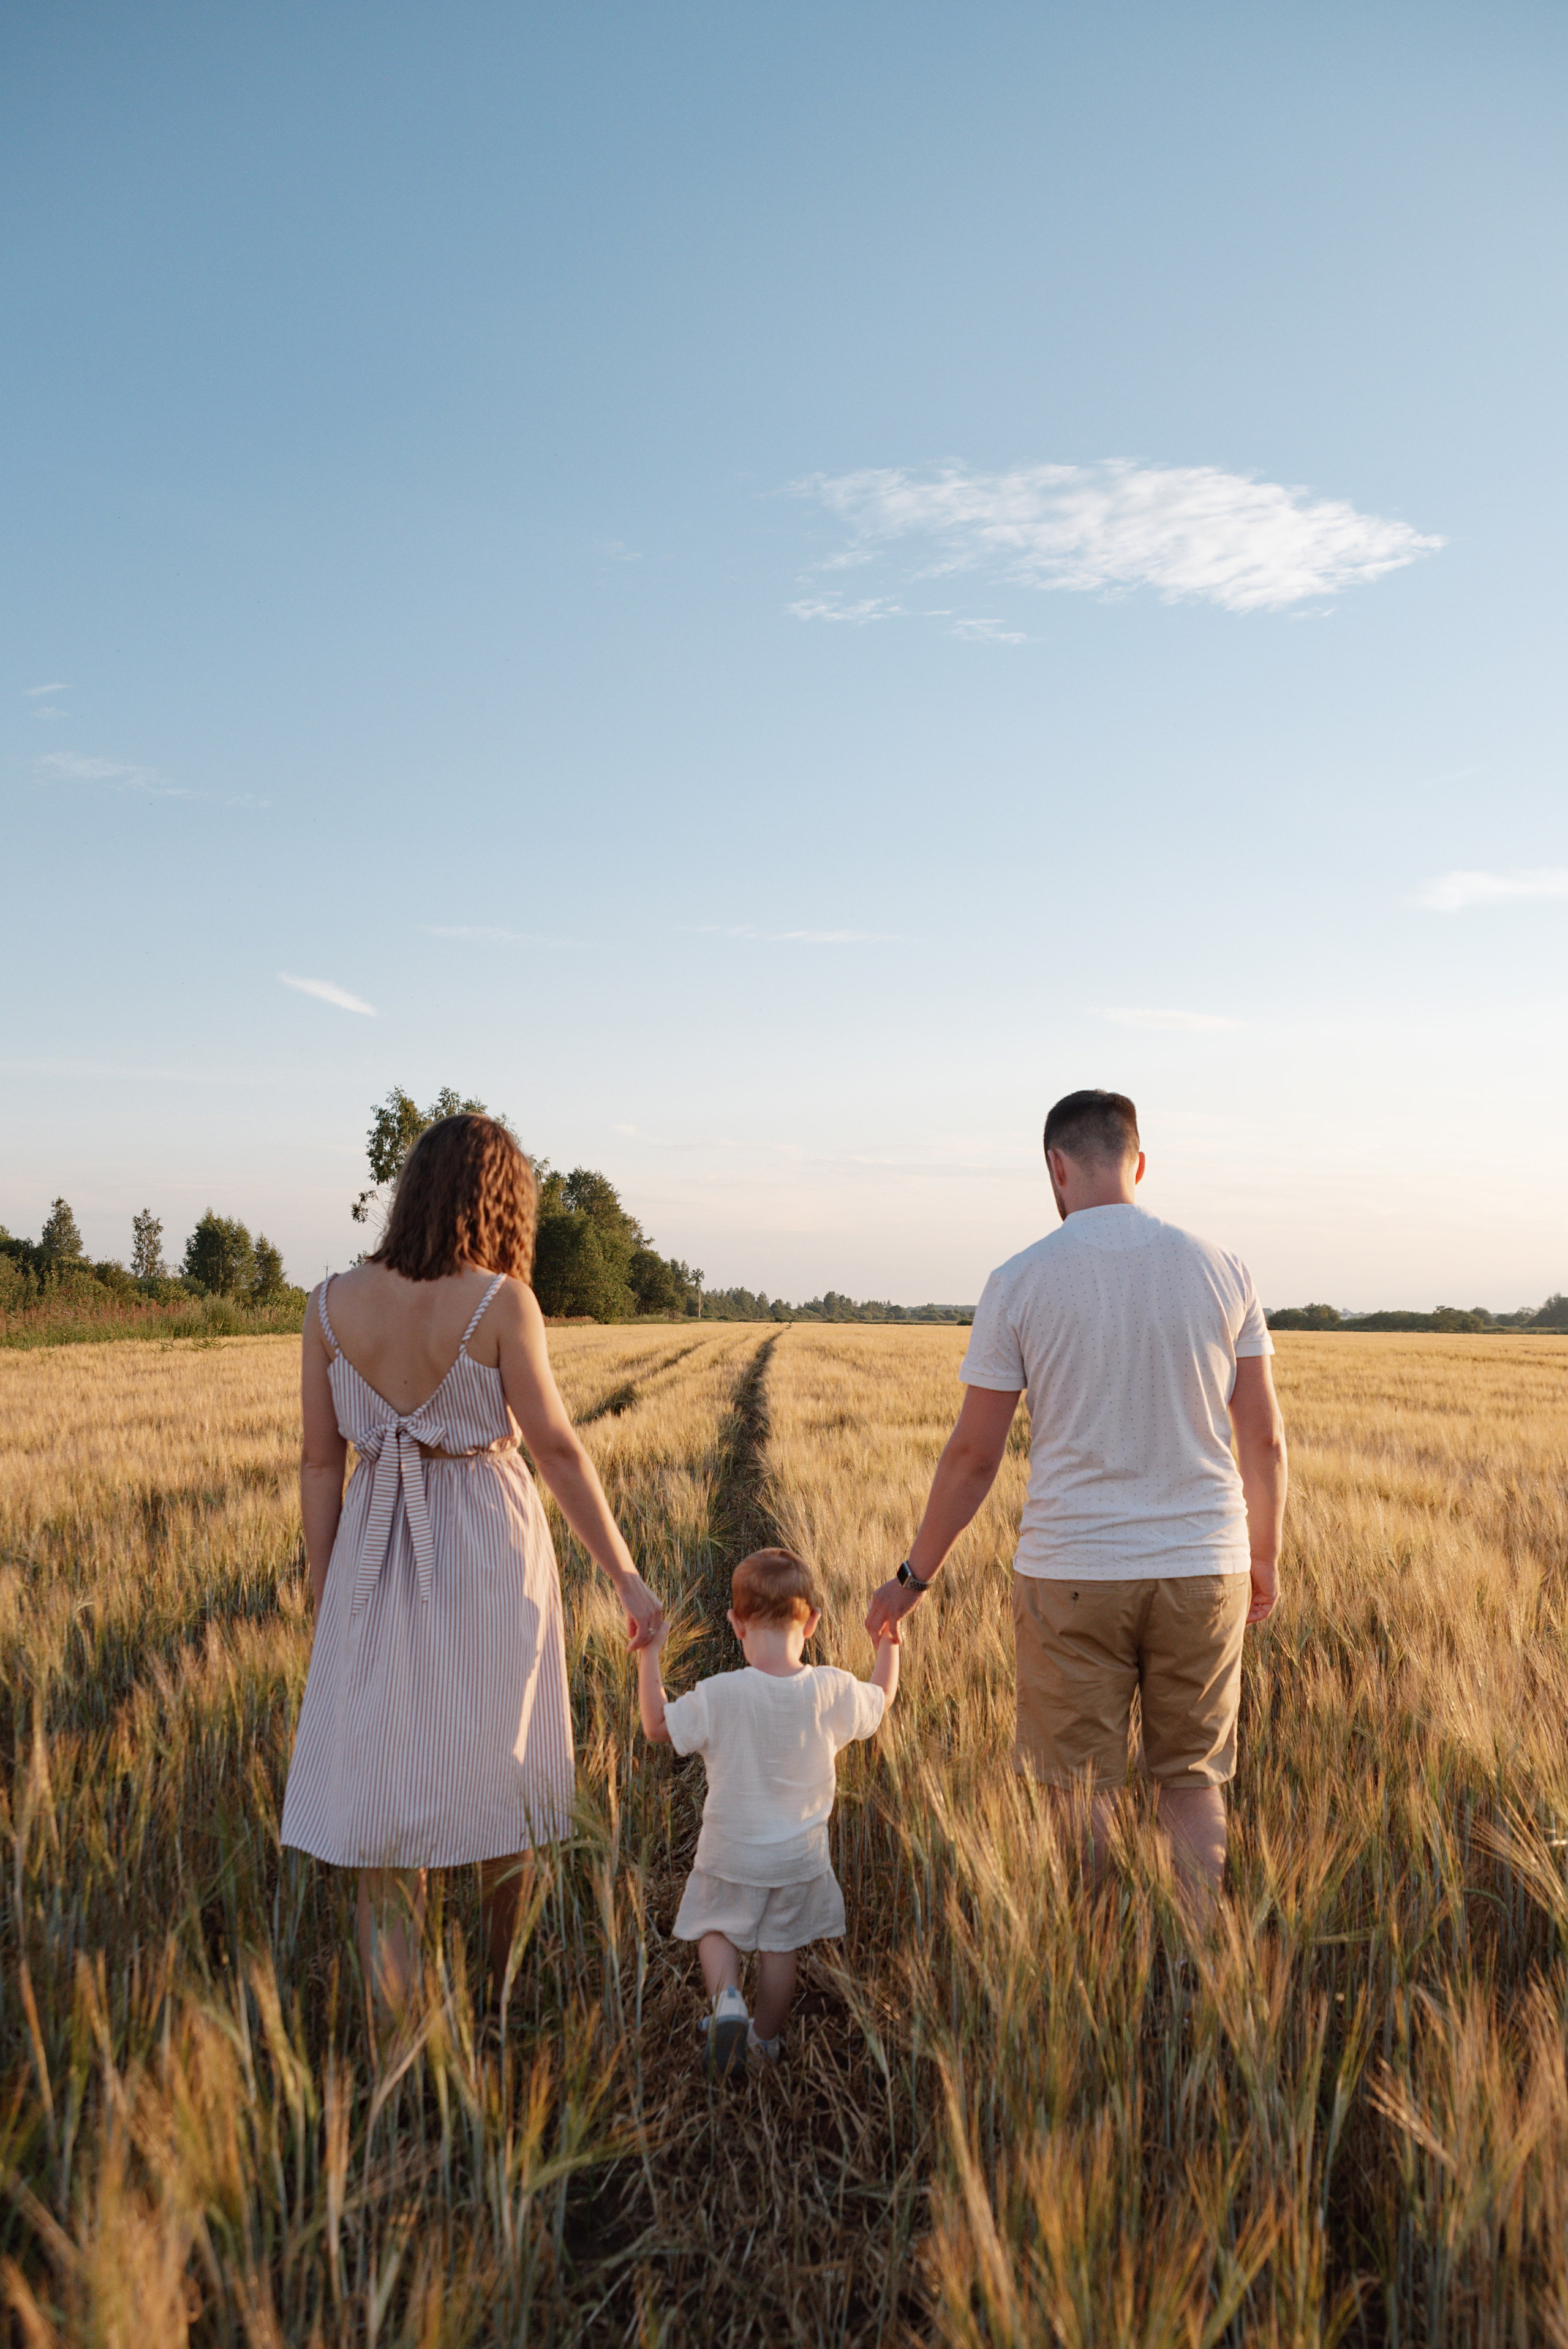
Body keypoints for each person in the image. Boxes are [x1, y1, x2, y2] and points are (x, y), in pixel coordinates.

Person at [865, 1089, 1286, 1917]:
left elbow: (974, 1455)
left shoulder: (1019, 1278)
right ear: (1139, 1162)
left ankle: (1089, 1951)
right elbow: (1264, 1436)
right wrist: (1263, 1555)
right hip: (1205, 1566)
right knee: (1192, 1780)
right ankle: (1199, 1961)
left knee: (1078, 1785)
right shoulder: (1224, 1267)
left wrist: (913, 1577)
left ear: (1055, 1167)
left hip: (1070, 1572)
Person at [280, 1112, 663, 2012]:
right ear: (498, 1202)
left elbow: (319, 1462)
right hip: (488, 1545)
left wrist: (328, 1589)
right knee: (502, 1775)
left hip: (371, 1547)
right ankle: (502, 1999)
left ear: (413, 1191)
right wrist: (624, 1573)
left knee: (383, 1807)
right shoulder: (501, 1302)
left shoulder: (329, 1303)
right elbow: (556, 1448)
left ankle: (398, 2046)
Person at [638, 1547, 899, 2072]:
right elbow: (881, 1697)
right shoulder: (831, 1689)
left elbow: (657, 1726)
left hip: (730, 1851)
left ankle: (728, 2001)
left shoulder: (721, 1693)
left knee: (715, 1927)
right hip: (799, 1858)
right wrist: (888, 1644)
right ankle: (766, 2040)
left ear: (736, 1624)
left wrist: (649, 1655)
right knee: (783, 1947)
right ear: (813, 1622)